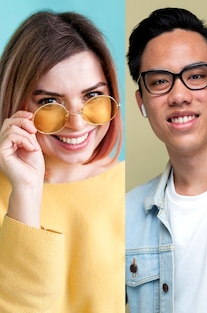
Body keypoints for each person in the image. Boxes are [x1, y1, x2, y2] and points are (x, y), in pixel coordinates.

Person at [125, 8, 207, 313]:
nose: (179, 95)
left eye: (195, 76)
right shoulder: (126, 215)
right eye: (159, 81)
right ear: (141, 101)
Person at [0, 11, 124, 312]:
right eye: (49, 103)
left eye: (92, 95)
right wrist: (26, 193)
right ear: (16, 105)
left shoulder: (136, 191)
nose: (77, 124)